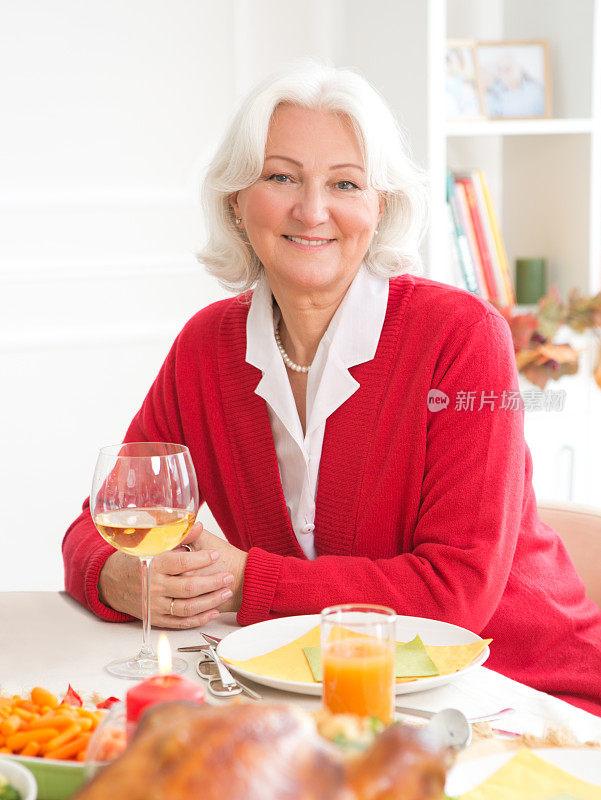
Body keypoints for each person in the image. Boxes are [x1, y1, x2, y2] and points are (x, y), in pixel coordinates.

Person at [63, 61, 601, 716]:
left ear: (379, 207)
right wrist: (114, 576)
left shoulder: (463, 338)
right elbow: (101, 520)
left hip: (522, 699)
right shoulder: (206, 347)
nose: (312, 210)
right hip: (332, 703)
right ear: (237, 200)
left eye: (344, 183)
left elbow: (453, 595)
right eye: (281, 176)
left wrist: (244, 580)